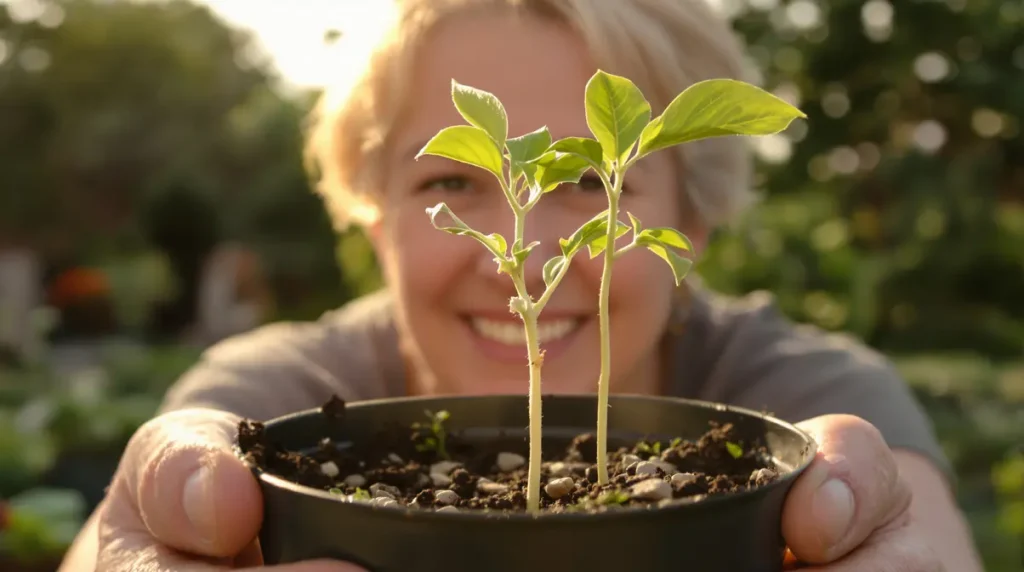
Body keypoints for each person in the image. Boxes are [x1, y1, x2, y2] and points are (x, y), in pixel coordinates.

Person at [60, 0, 983, 570]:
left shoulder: (800, 392)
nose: (530, 256)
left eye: (589, 184)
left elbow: (916, 532)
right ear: (373, 215)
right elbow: (118, 538)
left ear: (693, 221)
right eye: (451, 183)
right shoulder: (277, 396)